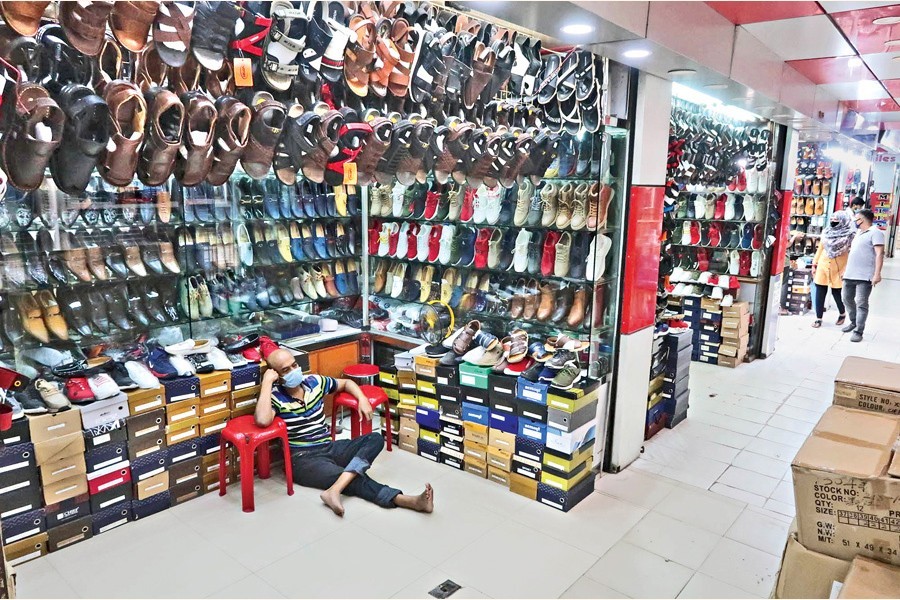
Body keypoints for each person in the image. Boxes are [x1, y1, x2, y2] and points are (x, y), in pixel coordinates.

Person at [254, 348, 433, 517]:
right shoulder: (275, 396)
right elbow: (262, 420)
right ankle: (406, 501)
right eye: (286, 370)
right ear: (277, 376)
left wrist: (362, 399)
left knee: (375, 439)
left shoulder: (314, 382)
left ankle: (335, 489)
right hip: (303, 459)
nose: (294, 371)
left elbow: (346, 383)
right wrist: (267, 383)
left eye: (294, 365)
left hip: (329, 447)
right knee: (354, 480)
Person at [841, 209, 885, 342]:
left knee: (861, 303)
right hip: (850, 274)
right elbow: (853, 253)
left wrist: (877, 274)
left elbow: (879, 254)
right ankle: (853, 321)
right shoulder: (858, 233)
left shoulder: (876, 232)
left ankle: (858, 331)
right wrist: (844, 269)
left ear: (863, 219)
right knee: (846, 299)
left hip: (864, 276)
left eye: (857, 218)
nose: (855, 220)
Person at [811, 211, 853, 328]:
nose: (833, 223)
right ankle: (818, 318)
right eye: (832, 220)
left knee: (837, 293)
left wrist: (846, 270)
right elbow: (820, 249)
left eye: (836, 221)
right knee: (820, 291)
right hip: (823, 265)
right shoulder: (826, 232)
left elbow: (852, 254)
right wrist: (814, 264)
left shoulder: (849, 236)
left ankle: (842, 313)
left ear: (843, 221)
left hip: (839, 268)